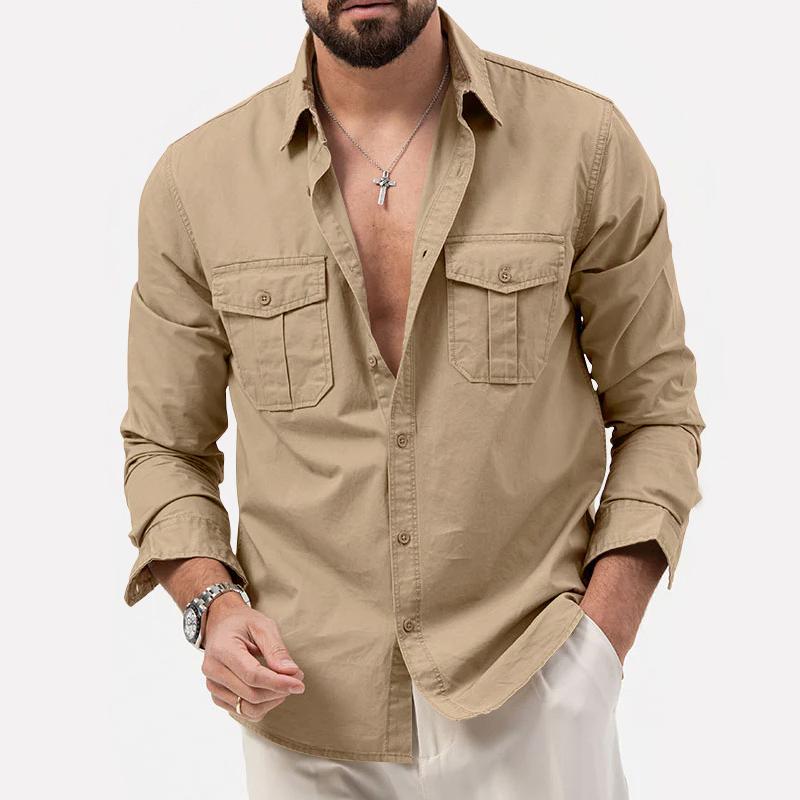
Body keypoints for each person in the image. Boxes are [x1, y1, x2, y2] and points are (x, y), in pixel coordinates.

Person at [120, 2, 705, 797]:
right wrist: (214, 607)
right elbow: (165, 448)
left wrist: (598, 649)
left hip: (530, 684)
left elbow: (658, 411)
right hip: (306, 710)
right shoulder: (197, 183)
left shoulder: (583, 144)